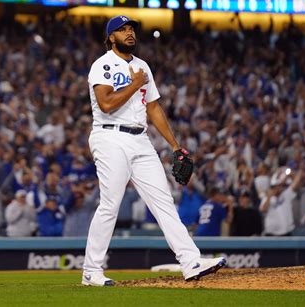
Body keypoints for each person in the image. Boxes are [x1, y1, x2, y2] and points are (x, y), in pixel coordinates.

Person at [82, 15, 225, 287]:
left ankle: (190, 261)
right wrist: (135, 84)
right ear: (111, 37)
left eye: (131, 29)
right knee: (110, 205)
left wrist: (175, 145)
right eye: (122, 30)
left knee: (164, 201)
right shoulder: (102, 65)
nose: (129, 33)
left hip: (140, 138)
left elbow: (153, 108)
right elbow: (106, 104)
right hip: (109, 137)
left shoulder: (142, 66)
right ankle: (91, 270)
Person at [259, 167, 303, 236]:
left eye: (279, 186)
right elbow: (263, 209)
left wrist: (290, 174)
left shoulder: (286, 194)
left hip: (286, 232)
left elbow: (297, 181)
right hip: (271, 234)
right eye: (275, 186)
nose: (278, 188)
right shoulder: (266, 198)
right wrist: (269, 197)